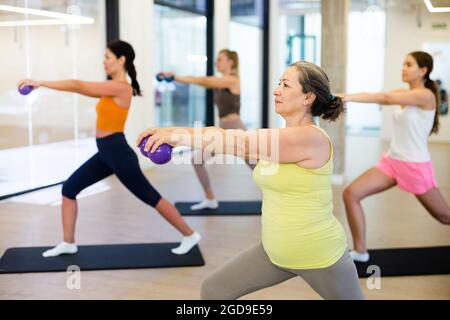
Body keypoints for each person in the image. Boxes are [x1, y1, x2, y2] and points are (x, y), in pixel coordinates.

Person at [138, 61, 365, 300]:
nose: (277, 90)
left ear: (308, 97)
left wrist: (175, 136)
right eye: (279, 83)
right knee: (214, 290)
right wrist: (172, 131)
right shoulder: (280, 137)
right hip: (274, 251)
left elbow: (239, 141)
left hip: (318, 254)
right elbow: (226, 138)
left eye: (286, 85)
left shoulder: (310, 138)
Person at [18, 40, 201, 257]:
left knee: (151, 197)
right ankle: (68, 242)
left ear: (121, 60)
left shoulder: (121, 87)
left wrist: (41, 83)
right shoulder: (110, 87)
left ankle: (190, 234)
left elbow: (78, 85)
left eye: (108, 57)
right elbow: (81, 89)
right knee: (69, 189)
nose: (104, 61)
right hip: (105, 152)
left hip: (118, 153)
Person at [341, 51, 450, 263]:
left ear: (423, 70)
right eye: (403, 64)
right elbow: (379, 95)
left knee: (445, 216)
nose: (403, 68)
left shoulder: (425, 95)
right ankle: (361, 252)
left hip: (415, 165)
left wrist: (347, 98)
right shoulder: (403, 93)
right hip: (392, 162)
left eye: (408, 64)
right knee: (351, 194)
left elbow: (385, 98)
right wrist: (345, 96)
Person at [160, 49, 255, 211]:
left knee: (256, 166)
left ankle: (280, 198)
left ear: (230, 62)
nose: (216, 63)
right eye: (216, 59)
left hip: (236, 129)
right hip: (223, 129)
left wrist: (176, 77)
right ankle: (210, 199)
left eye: (220, 60)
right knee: (197, 160)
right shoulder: (220, 80)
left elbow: (203, 81)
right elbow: (205, 81)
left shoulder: (231, 80)